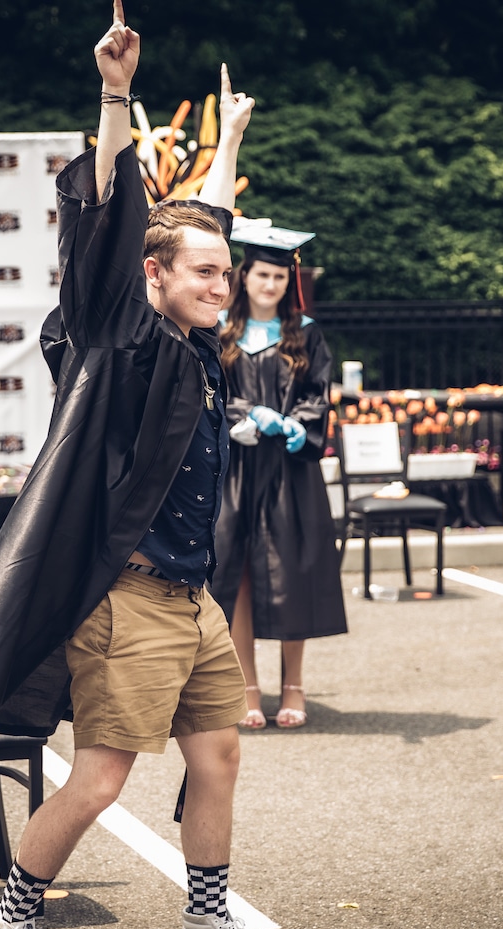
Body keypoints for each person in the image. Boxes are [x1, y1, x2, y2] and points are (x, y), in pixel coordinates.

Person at [0, 4, 311, 929]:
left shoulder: (195, 344)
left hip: (190, 599)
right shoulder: (116, 338)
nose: (222, 286)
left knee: (217, 754)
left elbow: (198, 229)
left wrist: (228, 148)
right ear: (149, 276)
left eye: (227, 274)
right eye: (204, 274)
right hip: (127, 598)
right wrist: (114, 95)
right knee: (98, 778)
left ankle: (208, 927)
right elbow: (107, 224)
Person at [214, 225, 347, 730]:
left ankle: (294, 686)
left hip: (290, 472)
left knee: (292, 571)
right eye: (262, 275)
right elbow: (208, 389)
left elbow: (318, 392)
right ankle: (247, 687)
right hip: (236, 468)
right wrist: (245, 416)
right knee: (239, 575)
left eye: (278, 277)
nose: (270, 285)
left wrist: (297, 424)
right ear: (244, 276)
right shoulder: (220, 330)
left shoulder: (305, 332)